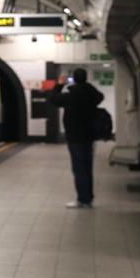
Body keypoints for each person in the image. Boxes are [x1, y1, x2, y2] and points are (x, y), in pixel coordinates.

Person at [49, 68, 104, 208]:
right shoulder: (92, 94)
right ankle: (88, 198)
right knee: (87, 167)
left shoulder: (71, 96)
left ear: (74, 79)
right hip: (89, 136)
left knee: (79, 168)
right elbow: (100, 96)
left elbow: (53, 99)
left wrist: (60, 84)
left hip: (75, 137)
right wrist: (87, 85)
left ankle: (82, 200)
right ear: (85, 79)